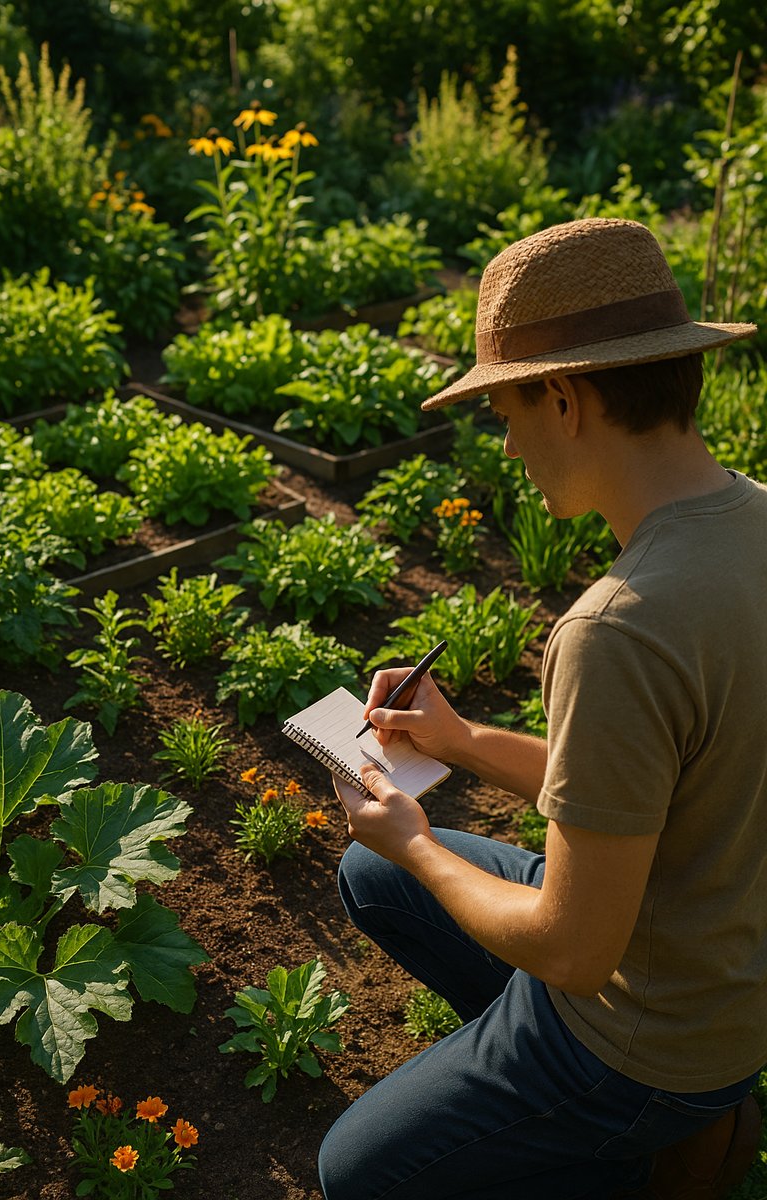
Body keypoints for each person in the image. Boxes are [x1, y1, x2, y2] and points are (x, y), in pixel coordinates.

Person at [317, 217, 767, 1200]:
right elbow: (667, 782)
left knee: (354, 1172)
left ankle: (637, 1143)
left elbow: (571, 950)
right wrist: (461, 741)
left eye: (505, 410)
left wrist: (420, 845)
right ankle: (694, 1123)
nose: (507, 443)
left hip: (643, 1041)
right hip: (727, 975)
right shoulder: (753, 521)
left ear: (563, 398)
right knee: (367, 871)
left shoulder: (617, 627)